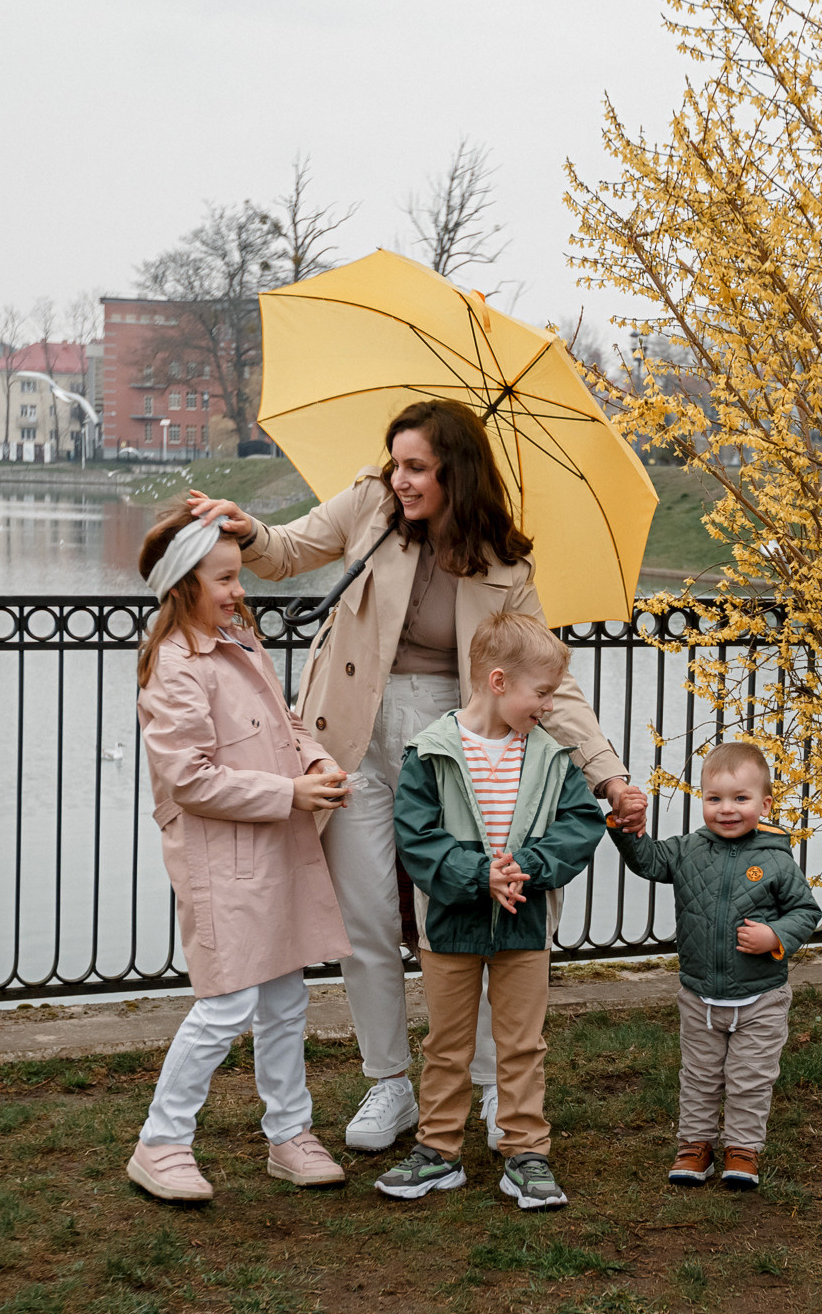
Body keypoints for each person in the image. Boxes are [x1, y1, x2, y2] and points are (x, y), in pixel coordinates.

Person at [187, 399, 649, 1155]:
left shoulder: (505, 565)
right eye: (395, 462)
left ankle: (496, 1087)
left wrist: (608, 777)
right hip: (355, 737)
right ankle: (389, 1082)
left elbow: (550, 683)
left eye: (416, 468)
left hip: (457, 747)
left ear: (454, 474)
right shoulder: (371, 505)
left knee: (471, 914)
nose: (398, 478)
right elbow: (288, 549)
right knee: (365, 916)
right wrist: (247, 531)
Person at [124, 503, 355, 1202]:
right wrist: (288, 792)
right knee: (225, 1005)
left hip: (272, 848)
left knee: (285, 997)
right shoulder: (174, 666)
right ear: (183, 583)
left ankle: (289, 1134)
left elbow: (282, 724)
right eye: (224, 579)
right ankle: (161, 1142)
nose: (239, 591)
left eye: (239, 577)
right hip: (223, 861)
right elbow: (188, 780)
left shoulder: (240, 643)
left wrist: (313, 763)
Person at [373, 612, 606, 1209]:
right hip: (450, 923)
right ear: (499, 682)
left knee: (522, 1044)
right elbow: (417, 838)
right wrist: (480, 875)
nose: (549, 707)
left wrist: (525, 867)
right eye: (543, 693)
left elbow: (580, 825)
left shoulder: (553, 756)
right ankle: (438, 1152)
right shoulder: (430, 752)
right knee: (447, 1045)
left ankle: (526, 1151)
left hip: (525, 923)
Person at [607, 741, 821, 1190]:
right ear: (701, 799)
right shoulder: (687, 850)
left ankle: (742, 1149)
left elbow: (805, 912)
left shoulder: (777, 859)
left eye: (740, 799)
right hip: (699, 995)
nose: (727, 810)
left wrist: (775, 937)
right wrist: (627, 829)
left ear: (764, 804)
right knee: (700, 1075)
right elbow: (647, 861)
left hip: (760, 996)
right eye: (714, 799)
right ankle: (695, 1145)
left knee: (749, 1077)